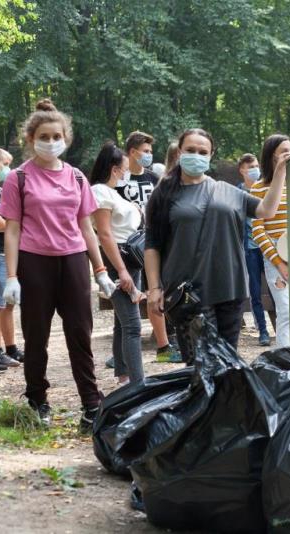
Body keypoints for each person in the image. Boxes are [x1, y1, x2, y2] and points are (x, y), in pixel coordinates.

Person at [0, 98, 116, 431]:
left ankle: (91, 405)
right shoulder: (18, 179)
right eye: (44, 136)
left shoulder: (77, 178)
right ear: (31, 138)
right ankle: (38, 400)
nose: (51, 142)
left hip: (73, 260)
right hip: (35, 263)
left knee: (81, 333)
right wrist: (11, 275)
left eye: (56, 136)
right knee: (37, 337)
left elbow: (86, 227)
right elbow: (13, 230)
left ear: (66, 137)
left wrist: (101, 270)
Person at [145, 128, 288, 358]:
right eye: (190, 150)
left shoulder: (227, 191)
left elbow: (266, 210)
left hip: (230, 289)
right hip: (187, 294)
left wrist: (280, 172)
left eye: (203, 151)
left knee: (227, 365)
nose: (196, 155)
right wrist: (154, 288)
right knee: (199, 366)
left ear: (210, 156)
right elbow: (152, 243)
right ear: (179, 152)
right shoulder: (163, 193)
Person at [120, 131, 180, 363]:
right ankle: (122, 354)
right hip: (127, 248)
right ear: (132, 152)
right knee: (131, 299)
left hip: (154, 244)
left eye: (150, 152)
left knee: (158, 292)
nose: (148, 155)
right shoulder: (119, 181)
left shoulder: (154, 179)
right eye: (145, 151)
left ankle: (164, 345)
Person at [89, 142, 144, 386]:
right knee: (132, 326)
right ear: (114, 169)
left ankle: (124, 375)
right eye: (123, 168)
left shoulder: (113, 192)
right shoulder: (100, 192)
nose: (126, 172)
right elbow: (104, 234)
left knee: (122, 323)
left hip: (131, 260)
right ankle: (137, 382)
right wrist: (121, 271)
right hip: (118, 261)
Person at [251, 134, 290, 347]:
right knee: (285, 310)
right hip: (276, 255)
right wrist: (279, 263)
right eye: (284, 152)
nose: (289, 155)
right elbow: (257, 231)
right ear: (271, 156)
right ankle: (287, 362)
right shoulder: (258, 188)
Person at [0, 148, 23, 371]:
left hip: (7, 252)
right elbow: (3, 223)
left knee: (8, 305)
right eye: (5, 163)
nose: (8, 168)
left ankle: (11, 348)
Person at [237, 153, 271, 346]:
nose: (254, 170)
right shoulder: (237, 193)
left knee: (277, 288)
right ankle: (263, 331)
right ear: (242, 170)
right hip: (250, 249)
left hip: (268, 247)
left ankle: (283, 328)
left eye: (256, 166)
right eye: (250, 167)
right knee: (255, 291)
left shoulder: (265, 188)